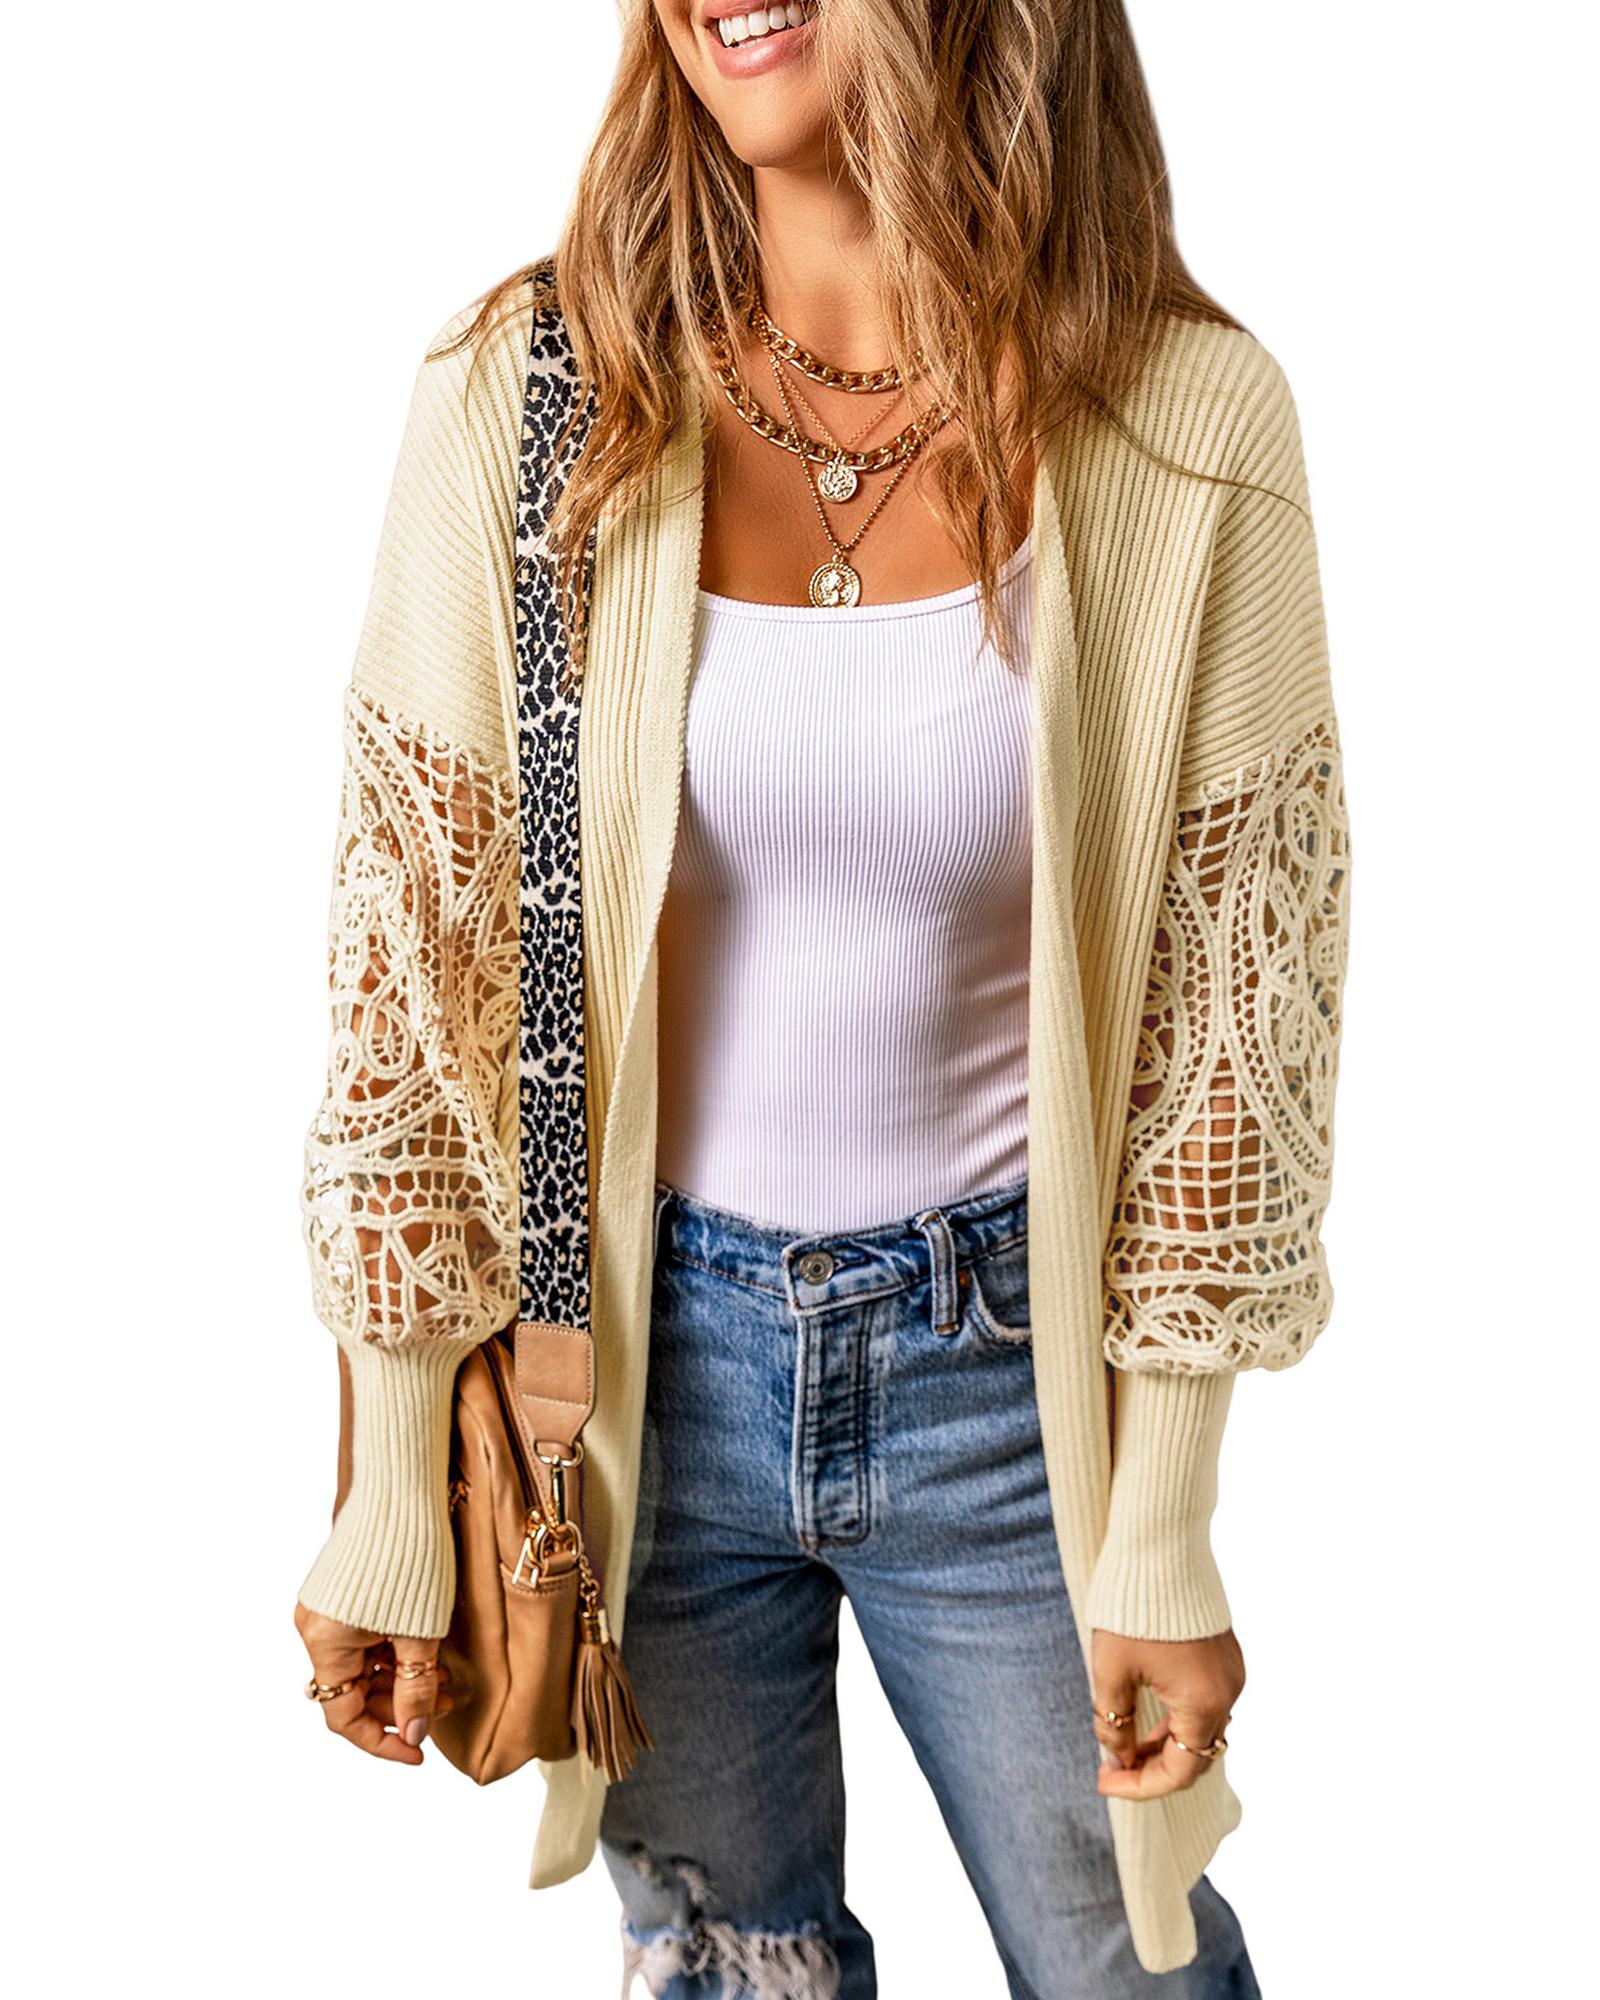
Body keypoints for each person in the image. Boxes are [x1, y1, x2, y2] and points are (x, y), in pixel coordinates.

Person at [292, 3, 1351, 1995]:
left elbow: (1232, 1020)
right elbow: (412, 988)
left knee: (1122, 1967)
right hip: (634, 1381)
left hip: (1006, 1387)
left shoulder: (1187, 426)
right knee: (730, 1963)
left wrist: (1162, 1523)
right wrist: (388, 1494)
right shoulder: (529, 393)